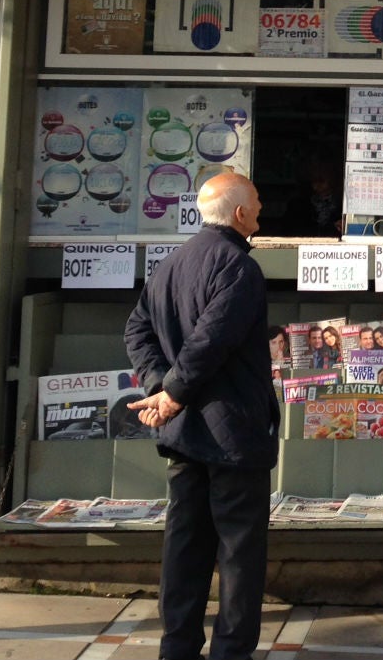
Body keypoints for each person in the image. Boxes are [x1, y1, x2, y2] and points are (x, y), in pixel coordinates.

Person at [124, 172, 279, 660]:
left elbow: (137, 330)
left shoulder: (172, 262)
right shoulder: (238, 268)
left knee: (185, 545)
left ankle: (178, 647)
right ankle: (231, 651)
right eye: (256, 202)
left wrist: (159, 386)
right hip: (232, 432)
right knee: (238, 553)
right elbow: (212, 341)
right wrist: (168, 392)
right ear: (238, 214)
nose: (261, 210)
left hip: (183, 433)